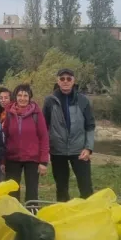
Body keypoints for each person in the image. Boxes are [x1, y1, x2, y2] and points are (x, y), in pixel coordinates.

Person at [42, 68, 95, 202]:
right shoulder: (50, 101)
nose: (65, 81)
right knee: (61, 187)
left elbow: (90, 126)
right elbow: (43, 127)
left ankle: (89, 214)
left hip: (79, 150)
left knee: (86, 187)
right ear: (57, 81)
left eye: (69, 79)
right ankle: (64, 216)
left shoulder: (83, 100)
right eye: (62, 79)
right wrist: (45, 150)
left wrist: (88, 148)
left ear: (73, 81)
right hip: (57, 151)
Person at [3, 84, 49, 203]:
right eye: (19, 95)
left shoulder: (36, 113)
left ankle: (32, 216)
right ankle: (13, 217)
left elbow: (44, 137)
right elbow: (4, 137)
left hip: (32, 158)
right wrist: (2, 161)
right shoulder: (9, 113)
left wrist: (43, 162)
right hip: (12, 158)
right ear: (15, 97)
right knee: (12, 192)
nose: (22, 98)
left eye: (25, 95)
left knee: (32, 192)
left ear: (30, 97)